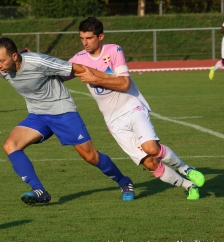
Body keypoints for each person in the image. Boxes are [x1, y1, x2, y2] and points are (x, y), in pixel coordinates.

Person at [64, 17, 205, 200]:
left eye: (89, 38)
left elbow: (124, 83)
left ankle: (185, 168)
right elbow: (59, 73)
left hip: (132, 107)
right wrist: (29, 61)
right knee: (150, 163)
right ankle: (189, 185)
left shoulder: (113, 51)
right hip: (113, 120)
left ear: (100, 36)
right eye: (82, 38)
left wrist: (95, 79)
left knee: (152, 148)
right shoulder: (79, 59)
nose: (85, 43)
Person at [0, 37, 135, 205]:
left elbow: (77, 68)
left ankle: (125, 183)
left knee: (90, 156)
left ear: (14, 56)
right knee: (10, 145)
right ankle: (39, 191)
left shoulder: (39, 62)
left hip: (62, 111)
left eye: (1, 60)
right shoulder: (4, 70)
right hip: (38, 115)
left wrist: (107, 79)